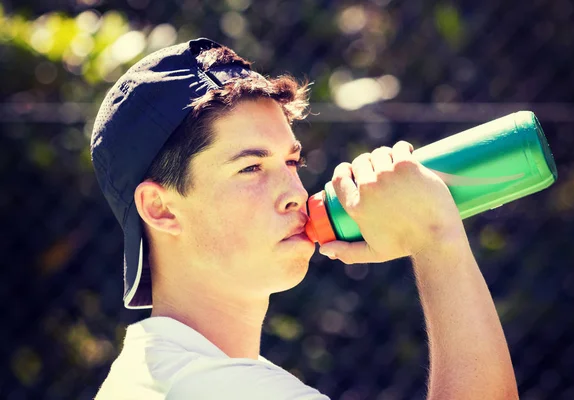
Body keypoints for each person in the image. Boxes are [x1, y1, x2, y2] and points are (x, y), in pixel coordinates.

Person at [91, 37, 519, 399]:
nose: (296, 195)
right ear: (160, 209)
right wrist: (436, 239)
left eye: (292, 163)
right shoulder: (217, 387)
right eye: (251, 168)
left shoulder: (158, 376)